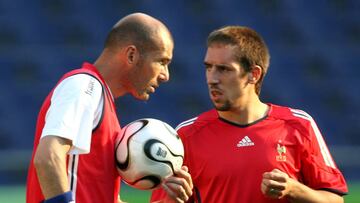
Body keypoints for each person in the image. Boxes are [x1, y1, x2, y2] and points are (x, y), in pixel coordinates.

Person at [151, 26, 348, 203]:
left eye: (224, 69)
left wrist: (294, 189)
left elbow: (335, 200)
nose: (212, 79)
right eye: (208, 67)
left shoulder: (298, 125)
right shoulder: (185, 136)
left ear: (254, 74)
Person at [26, 13, 192, 203]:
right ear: (131, 55)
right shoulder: (84, 85)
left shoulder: (104, 105)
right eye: (162, 61)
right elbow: (48, 156)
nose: (165, 75)